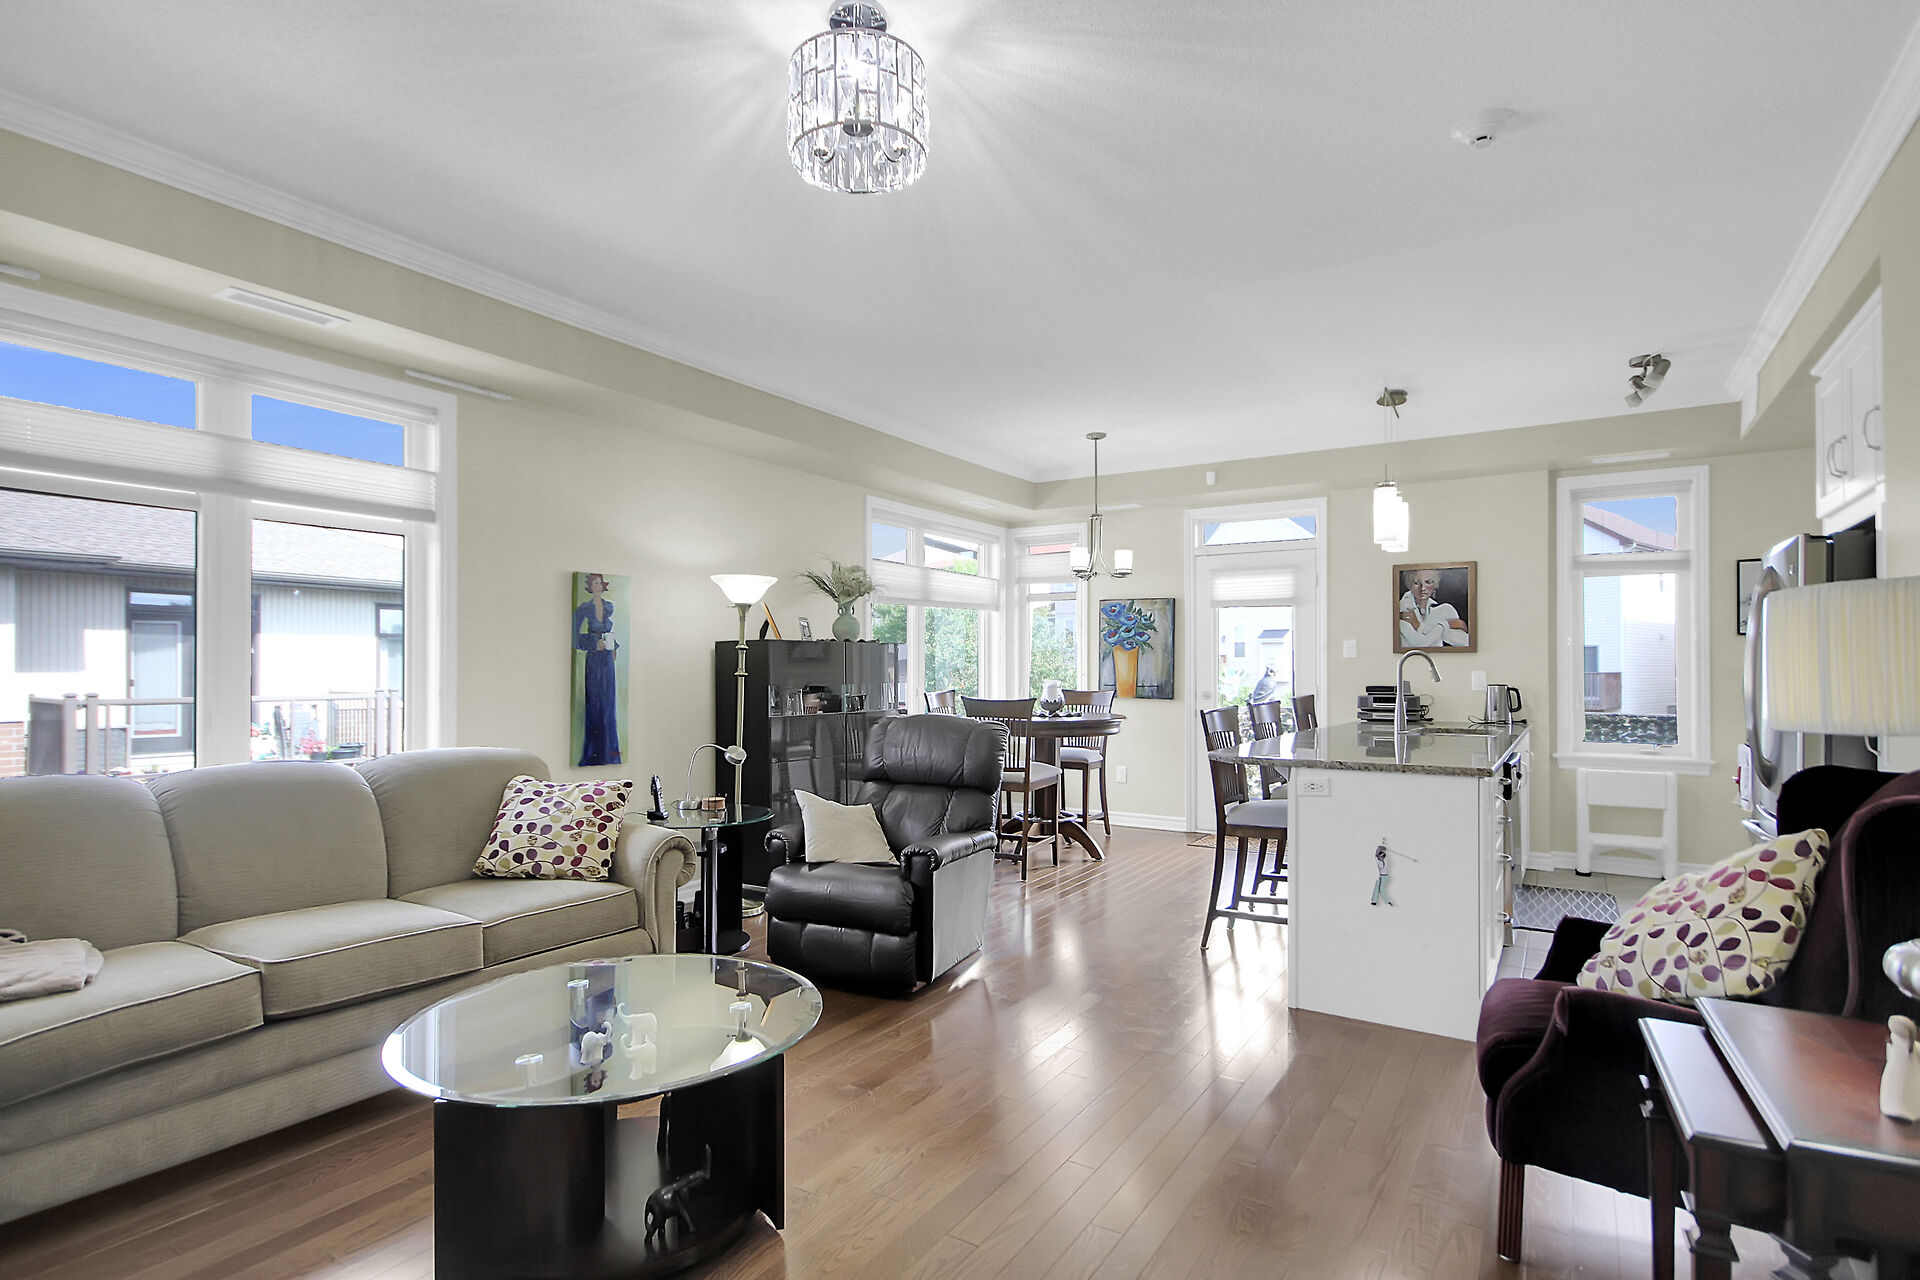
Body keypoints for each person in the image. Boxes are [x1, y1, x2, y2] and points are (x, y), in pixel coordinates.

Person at [574, 572, 622, 766]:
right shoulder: (584, 609)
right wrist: (595, 643)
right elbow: (575, 638)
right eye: (594, 583)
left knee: (609, 705)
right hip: (594, 660)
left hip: (607, 660)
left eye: (599, 583)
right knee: (595, 705)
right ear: (590, 587)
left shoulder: (609, 607)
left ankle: (610, 753)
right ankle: (593, 754)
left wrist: (613, 646)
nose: (597, 586)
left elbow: (609, 631)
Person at [1398, 568, 1470, 649]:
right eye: (1416, 583)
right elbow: (1421, 644)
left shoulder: (1445, 610)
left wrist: (1437, 628)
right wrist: (1447, 625)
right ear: (1409, 584)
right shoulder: (1402, 609)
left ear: (1435, 585)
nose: (1422, 588)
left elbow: (1465, 642)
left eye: (1428, 582)